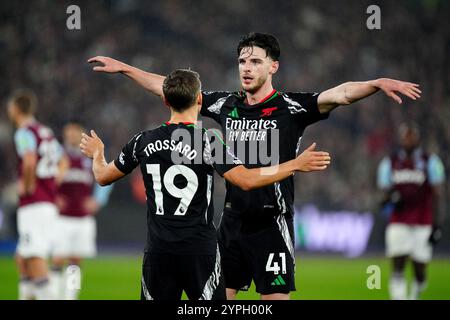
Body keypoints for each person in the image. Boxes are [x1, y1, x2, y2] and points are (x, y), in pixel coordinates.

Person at [87, 32, 421, 300]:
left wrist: (376, 84)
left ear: (273, 66)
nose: (246, 67)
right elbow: (174, 88)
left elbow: (342, 94)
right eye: (242, 61)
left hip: (271, 222)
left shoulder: (291, 107)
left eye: (255, 61)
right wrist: (129, 70)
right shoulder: (226, 104)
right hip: (230, 222)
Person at [80, 69, 331, 300]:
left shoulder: (142, 141)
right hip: (200, 251)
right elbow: (246, 180)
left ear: (165, 101)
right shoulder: (208, 142)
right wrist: (294, 164)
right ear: (199, 101)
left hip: (158, 252)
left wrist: (98, 154)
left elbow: (102, 176)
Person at [7, 89, 65, 299]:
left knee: (34, 258)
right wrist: (52, 184)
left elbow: (30, 160)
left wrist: (28, 185)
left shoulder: (24, 132)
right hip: (45, 202)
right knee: (22, 259)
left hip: (34, 204)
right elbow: (63, 161)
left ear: (15, 109)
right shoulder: (45, 131)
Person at [377, 123, 445, 300]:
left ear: (417, 138)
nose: (408, 140)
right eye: (405, 136)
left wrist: (437, 224)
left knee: (419, 269)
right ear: (401, 139)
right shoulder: (389, 163)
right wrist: (390, 199)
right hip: (398, 221)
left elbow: (438, 195)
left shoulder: (430, 161)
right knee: (397, 265)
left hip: (423, 221)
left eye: (411, 136)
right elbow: (383, 197)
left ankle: (416, 293)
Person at [50, 122, 113, 300]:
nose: (70, 134)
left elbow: (109, 174)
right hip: (61, 218)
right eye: (67, 131)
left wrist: (97, 200)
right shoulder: (57, 155)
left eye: (74, 131)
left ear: (81, 133)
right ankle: (52, 296)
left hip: (83, 219)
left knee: (75, 262)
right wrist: (52, 196)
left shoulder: (90, 156)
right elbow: (45, 178)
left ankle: (70, 297)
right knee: (57, 259)